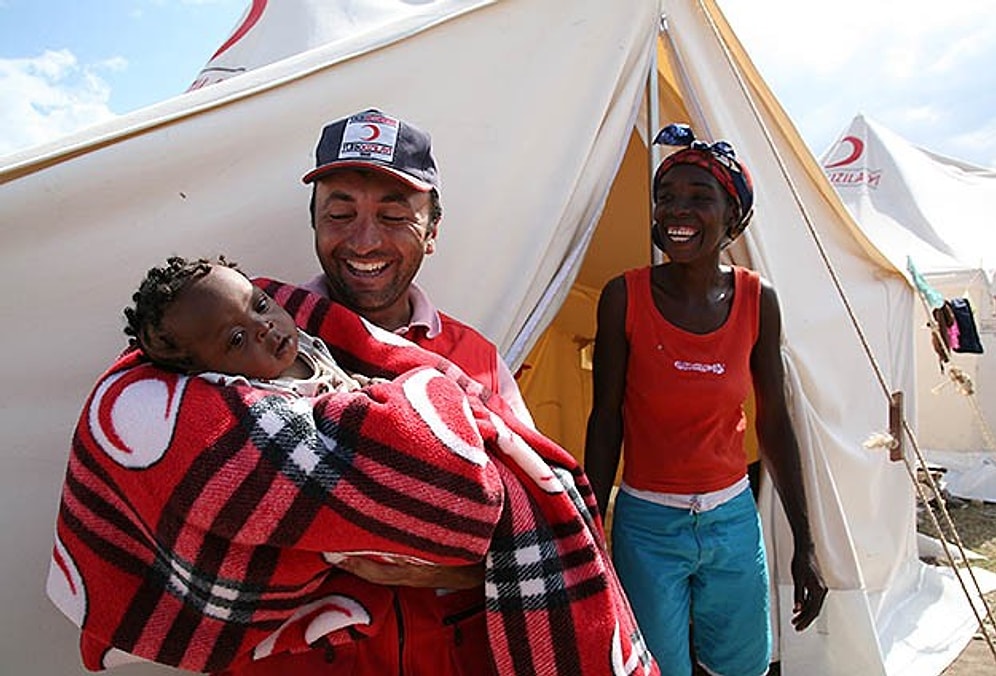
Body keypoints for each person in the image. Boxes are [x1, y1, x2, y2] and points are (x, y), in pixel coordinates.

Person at [48, 108, 658, 676]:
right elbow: (183, 472)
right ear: (314, 222)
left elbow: (531, 513)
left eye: (394, 215)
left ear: (432, 231)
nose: (364, 240)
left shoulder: (476, 363)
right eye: (340, 214)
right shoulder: (224, 351)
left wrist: (444, 565)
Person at [584, 123, 828, 676]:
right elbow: (605, 420)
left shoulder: (757, 299)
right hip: (646, 521)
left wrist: (804, 544)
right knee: (653, 667)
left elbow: (775, 423)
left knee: (741, 667)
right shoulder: (624, 296)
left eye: (700, 198)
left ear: (733, 219)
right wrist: (592, 533)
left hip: (732, 520)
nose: (677, 211)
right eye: (666, 197)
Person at [123, 254, 367, 397]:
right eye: (237, 339)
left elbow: (341, 377)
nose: (264, 326)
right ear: (206, 370)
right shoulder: (257, 396)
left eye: (260, 305)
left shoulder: (302, 342)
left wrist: (362, 383)